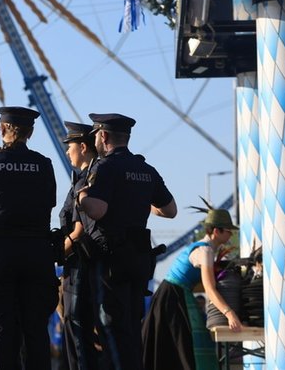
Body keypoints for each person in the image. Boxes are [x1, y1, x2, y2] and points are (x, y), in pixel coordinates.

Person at [77, 113, 177, 370]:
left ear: (103, 136)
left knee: (111, 328)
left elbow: (97, 210)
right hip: (138, 259)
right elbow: (170, 210)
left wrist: (82, 197)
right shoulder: (146, 170)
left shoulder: (105, 167)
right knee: (132, 328)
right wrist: (138, 200)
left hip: (111, 261)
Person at [0, 106, 58, 370]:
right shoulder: (44, 165)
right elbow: (49, 203)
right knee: (36, 327)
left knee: (1, 326)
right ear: (30, 132)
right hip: (37, 253)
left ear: (2, 129)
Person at [142, 205, 243, 370]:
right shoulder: (205, 251)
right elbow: (209, 288)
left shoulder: (202, 248)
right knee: (183, 349)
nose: (231, 235)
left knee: (175, 350)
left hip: (171, 296)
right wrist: (230, 314)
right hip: (173, 299)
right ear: (216, 231)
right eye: (228, 231)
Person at [58, 121, 99, 370]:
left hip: (79, 263)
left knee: (76, 327)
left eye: (69, 146)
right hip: (81, 262)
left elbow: (78, 230)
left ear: (83, 147)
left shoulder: (87, 180)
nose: (67, 152)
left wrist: (54, 255)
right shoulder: (85, 178)